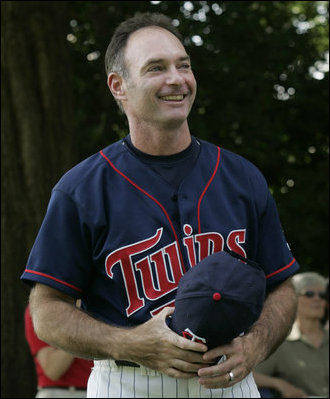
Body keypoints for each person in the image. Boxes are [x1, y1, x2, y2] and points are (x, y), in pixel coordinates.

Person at [21, 12, 300, 398]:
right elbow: (47, 311)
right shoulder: (81, 189)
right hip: (129, 382)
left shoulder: (241, 176)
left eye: (183, 65)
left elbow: (282, 287)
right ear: (119, 86)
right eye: (156, 68)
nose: (177, 79)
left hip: (228, 381)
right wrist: (127, 343)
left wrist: (254, 346)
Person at [253, 272, 329, 398]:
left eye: (322, 295)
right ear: (293, 300)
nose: (317, 299)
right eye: (309, 294)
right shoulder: (280, 343)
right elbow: (251, 375)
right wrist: (278, 384)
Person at [25, 304, 93, 398]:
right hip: (60, 392)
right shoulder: (40, 307)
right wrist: (78, 322)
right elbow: (53, 370)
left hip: (101, 389)